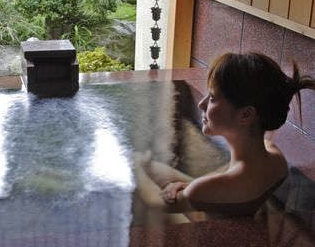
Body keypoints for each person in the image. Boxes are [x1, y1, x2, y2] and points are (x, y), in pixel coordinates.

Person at [133, 52, 315, 218]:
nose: (201, 104)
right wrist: (188, 186)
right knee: (151, 166)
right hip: (230, 208)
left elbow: (156, 203)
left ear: (246, 115)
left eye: (212, 98)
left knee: (140, 184)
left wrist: (136, 170)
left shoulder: (223, 183)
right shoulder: (275, 158)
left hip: (207, 231)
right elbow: (220, 182)